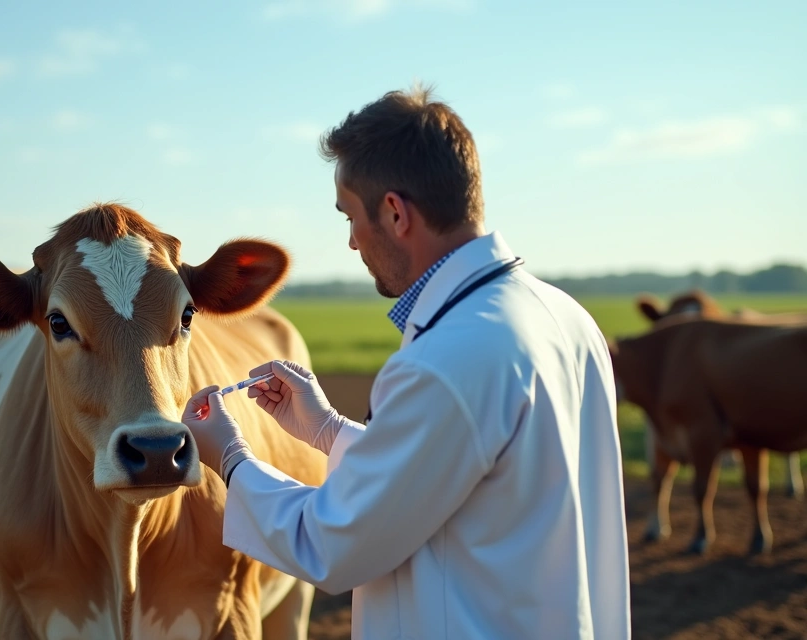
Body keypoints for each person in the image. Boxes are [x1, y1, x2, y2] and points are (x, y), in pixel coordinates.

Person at [182, 86, 631, 639]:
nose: (351, 243)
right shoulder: (565, 317)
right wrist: (327, 431)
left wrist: (230, 459)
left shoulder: (447, 359)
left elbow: (334, 544)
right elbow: (459, 474)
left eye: (349, 217)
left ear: (394, 212)